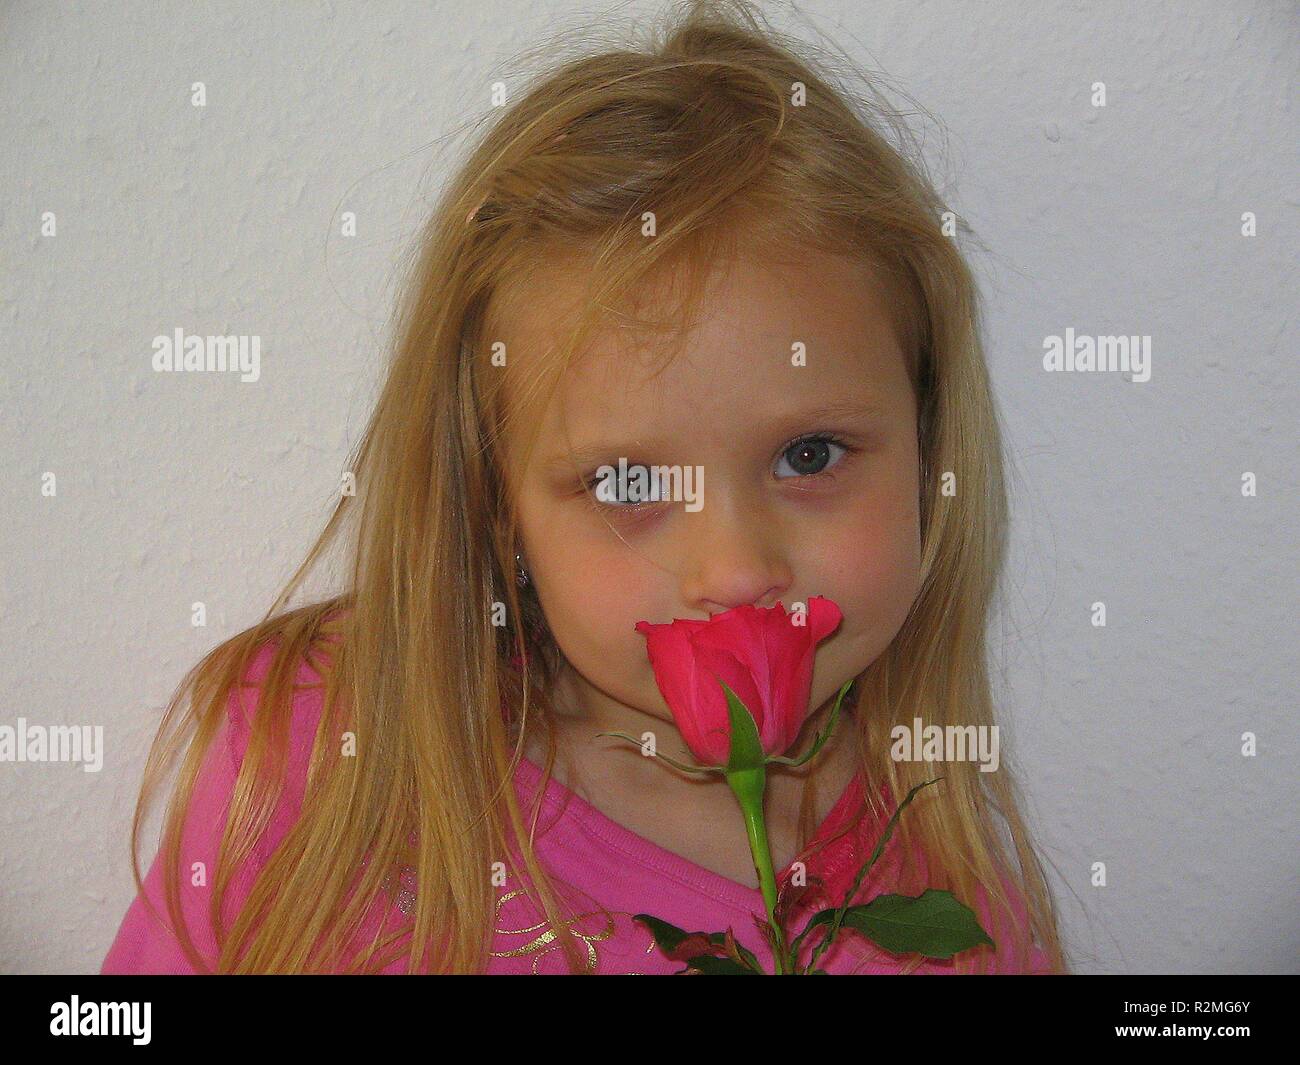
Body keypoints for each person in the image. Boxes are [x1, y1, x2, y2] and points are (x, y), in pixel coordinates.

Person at [102, 0, 1065, 975]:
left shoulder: (955, 912)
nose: (734, 571)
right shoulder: (325, 764)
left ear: (926, 447)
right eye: (631, 480)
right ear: (494, 503)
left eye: (807, 456)